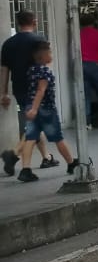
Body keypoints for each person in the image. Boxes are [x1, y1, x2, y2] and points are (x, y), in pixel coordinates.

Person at [15, 39, 76, 182]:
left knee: (30, 138)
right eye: (50, 53)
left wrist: (32, 109)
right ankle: (71, 163)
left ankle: (26, 169)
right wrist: (36, 109)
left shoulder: (31, 70)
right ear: (42, 57)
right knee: (57, 137)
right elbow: (41, 91)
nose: (52, 55)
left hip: (31, 106)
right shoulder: (45, 71)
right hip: (46, 110)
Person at [0, 11, 47, 175]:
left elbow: (4, 70)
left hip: (19, 88)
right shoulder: (39, 41)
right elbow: (45, 65)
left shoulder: (8, 44)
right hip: (37, 88)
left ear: (18, 23)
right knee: (35, 124)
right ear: (34, 21)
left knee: (34, 121)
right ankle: (12, 155)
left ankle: (46, 157)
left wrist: (4, 92)